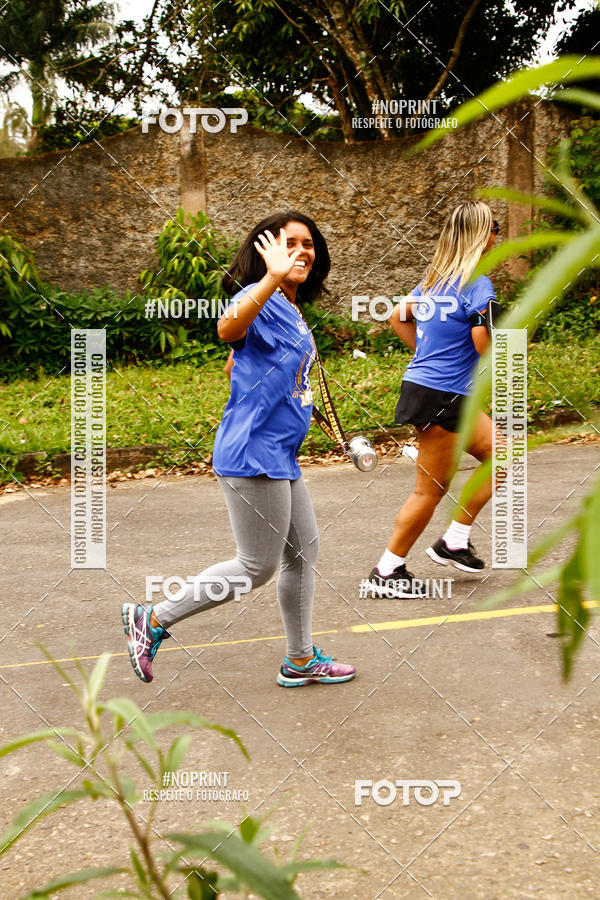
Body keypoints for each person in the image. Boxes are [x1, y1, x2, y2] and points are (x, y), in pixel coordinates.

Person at [122, 211, 356, 687]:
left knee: (302, 551)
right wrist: (269, 279)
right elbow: (228, 330)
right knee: (257, 566)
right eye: (290, 242)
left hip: (280, 455)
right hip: (252, 454)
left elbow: (244, 365)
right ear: (265, 251)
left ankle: (299, 658)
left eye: (309, 243)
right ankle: (153, 619)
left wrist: (321, 424)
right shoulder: (259, 296)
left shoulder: (289, 309)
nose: (303, 250)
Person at [366, 200, 499, 598]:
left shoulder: (434, 282)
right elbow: (482, 342)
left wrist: (425, 358)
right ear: (480, 233)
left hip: (437, 392)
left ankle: (455, 540)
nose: (498, 234)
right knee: (429, 491)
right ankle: (387, 571)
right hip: (446, 397)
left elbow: (396, 316)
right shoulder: (477, 284)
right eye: (495, 226)